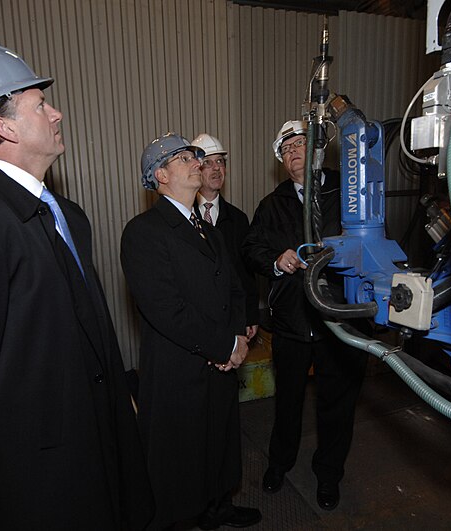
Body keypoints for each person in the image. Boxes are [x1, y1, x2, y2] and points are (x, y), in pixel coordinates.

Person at [0, 44, 153, 530]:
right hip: (36, 473)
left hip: (95, 442)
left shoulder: (64, 214)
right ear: (4, 127)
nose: (56, 113)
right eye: (40, 104)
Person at [121, 133, 261, 530]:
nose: (197, 163)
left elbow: (234, 287)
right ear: (160, 175)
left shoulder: (207, 227)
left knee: (217, 439)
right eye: (184, 158)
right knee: (179, 454)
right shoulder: (143, 231)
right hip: (179, 366)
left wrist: (238, 340)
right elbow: (165, 309)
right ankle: (181, 517)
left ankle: (218, 507)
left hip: (219, 361)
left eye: (196, 157)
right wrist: (223, 345)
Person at [241, 120, 368, 511]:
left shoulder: (349, 193)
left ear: (318, 151)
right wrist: (277, 261)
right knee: (288, 402)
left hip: (339, 322)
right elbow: (251, 249)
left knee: (337, 405)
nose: (295, 151)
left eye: (301, 144)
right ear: (281, 161)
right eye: (288, 148)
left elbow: (372, 241)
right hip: (293, 322)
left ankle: (328, 475)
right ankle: (280, 464)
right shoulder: (271, 204)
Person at [190, 134, 258, 340]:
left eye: (220, 161)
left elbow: (246, 271)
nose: (216, 168)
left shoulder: (238, 218)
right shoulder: (184, 217)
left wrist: (250, 314)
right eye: (208, 163)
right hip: (196, 319)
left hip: (231, 316)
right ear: (196, 169)